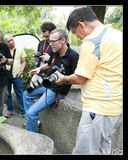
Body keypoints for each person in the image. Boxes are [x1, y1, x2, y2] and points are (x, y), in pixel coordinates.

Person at [55, 7, 122, 155]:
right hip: (116, 106)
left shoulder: (91, 41)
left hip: (97, 107)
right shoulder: (117, 35)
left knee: (84, 151)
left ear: (81, 24)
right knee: (103, 148)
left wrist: (64, 79)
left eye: (74, 32)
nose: (77, 37)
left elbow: (80, 77)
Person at [23, 29, 79, 132]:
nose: (50, 44)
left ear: (62, 40)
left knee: (31, 113)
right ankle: (33, 121)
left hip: (56, 91)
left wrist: (64, 79)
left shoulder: (73, 56)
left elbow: (78, 78)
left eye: (53, 41)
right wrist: (39, 69)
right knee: (26, 94)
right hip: (47, 83)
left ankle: (31, 137)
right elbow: (48, 65)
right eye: (49, 41)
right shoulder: (55, 52)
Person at [3, 34, 26, 118]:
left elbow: (23, 61)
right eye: (8, 41)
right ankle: (10, 110)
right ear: (5, 42)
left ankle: (23, 111)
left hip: (17, 75)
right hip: (6, 75)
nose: (11, 42)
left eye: (12, 40)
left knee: (20, 93)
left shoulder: (20, 49)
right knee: (8, 93)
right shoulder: (4, 50)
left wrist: (21, 71)